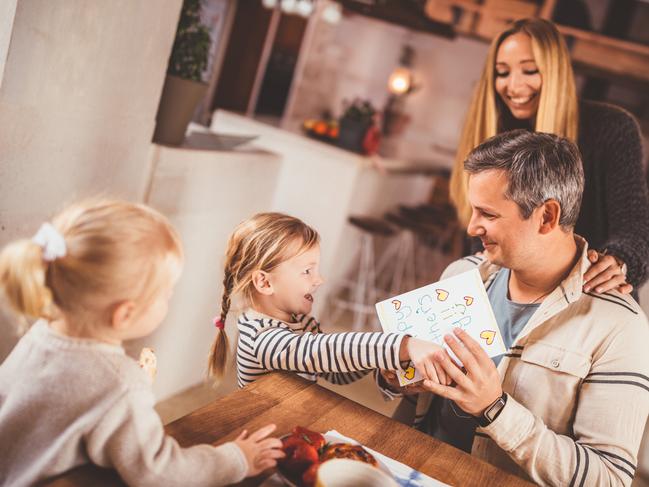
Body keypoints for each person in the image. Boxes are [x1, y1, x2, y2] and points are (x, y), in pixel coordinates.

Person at [381, 130, 649, 486]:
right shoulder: (461, 274)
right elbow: (411, 390)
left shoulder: (620, 326)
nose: (472, 226)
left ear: (547, 217)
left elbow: (608, 479)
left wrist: (494, 408)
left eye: (487, 214)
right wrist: (396, 378)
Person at [0, 200, 283, 487]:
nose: (168, 299)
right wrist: (237, 459)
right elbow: (160, 472)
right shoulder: (120, 384)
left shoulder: (41, 333)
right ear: (125, 314)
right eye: (165, 293)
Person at [449, 18, 649, 296]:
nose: (514, 86)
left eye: (530, 70)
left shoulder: (611, 128)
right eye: (502, 72)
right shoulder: (490, 133)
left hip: (589, 296)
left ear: (554, 71)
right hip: (511, 300)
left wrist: (619, 261)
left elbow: (635, 225)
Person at [207, 212, 448, 388]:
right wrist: (403, 346)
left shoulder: (300, 321)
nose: (319, 279)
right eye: (307, 271)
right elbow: (320, 350)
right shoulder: (262, 338)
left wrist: (379, 362)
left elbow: (335, 371)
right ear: (265, 283)